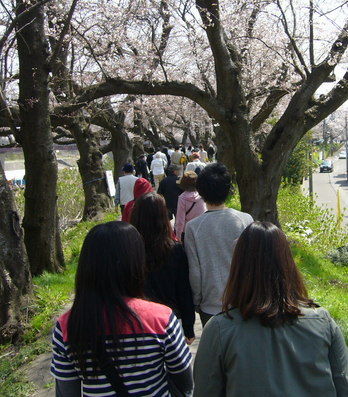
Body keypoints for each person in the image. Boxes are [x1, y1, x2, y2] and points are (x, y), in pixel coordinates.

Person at [192, 221, 348, 397]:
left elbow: (205, 391)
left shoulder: (219, 330)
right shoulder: (322, 322)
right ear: (288, 265)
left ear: (238, 268)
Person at [51, 221, 193, 397]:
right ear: (135, 263)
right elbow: (186, 381)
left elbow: (66, 393)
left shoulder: (67, 326)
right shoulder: (161, 319)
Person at [184, 163, 253, 325]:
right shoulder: (245, 220)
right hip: (243, 302)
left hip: (210, 306)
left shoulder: (193, 227)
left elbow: (195, 271)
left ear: (200, 192)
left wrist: (197, 301)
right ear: (228, 190)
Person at [129, 193, 196, 344]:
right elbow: (184, 290)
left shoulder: (130, 249)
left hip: (137, 320)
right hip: (170, 320)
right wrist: (188, 326)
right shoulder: (175, 250)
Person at [175, 171, 206, 242]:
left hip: (187, 231)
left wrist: (178, 236)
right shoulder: (202, 196)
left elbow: (180, 219)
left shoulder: (182, 198)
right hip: (200, 229)